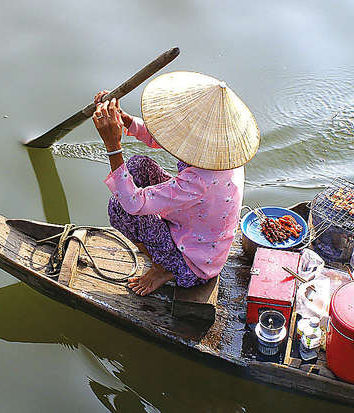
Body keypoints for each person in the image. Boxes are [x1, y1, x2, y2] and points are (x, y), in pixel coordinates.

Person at [91, 71, 260, 296]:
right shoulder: (224, 153)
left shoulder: (198, 181)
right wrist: (126, 121)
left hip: (194, 266)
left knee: (120, 207)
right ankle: (162, 253)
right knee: (138, 165)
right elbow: (160, 138)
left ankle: (164, 267)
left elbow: (133, 203)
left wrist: (113, 145)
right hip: (200, 230)